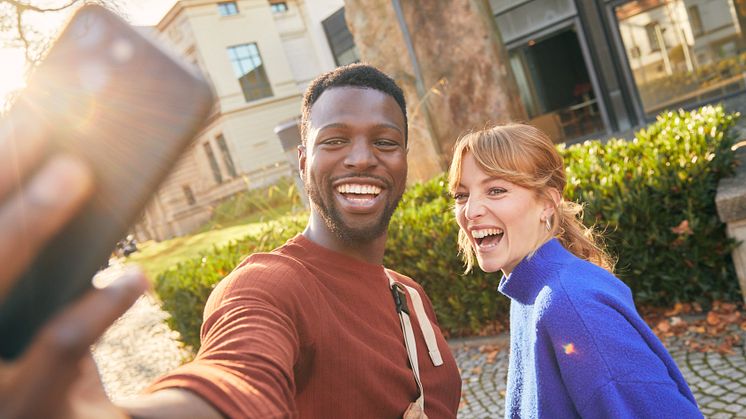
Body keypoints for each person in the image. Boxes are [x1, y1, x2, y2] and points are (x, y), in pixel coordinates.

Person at [1, 63, 462, 418]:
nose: (362, 158)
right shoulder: (270, 286)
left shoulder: (409, 294)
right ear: (303, 162)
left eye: (385, 142)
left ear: (404, 159)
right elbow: (236, 377)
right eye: (335, 141)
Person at [448, 123, 701, 418]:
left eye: (496, 190)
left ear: (547, 202)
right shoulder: (528, 292)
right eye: (461, 195)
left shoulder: (569, 304)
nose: (470, 210)